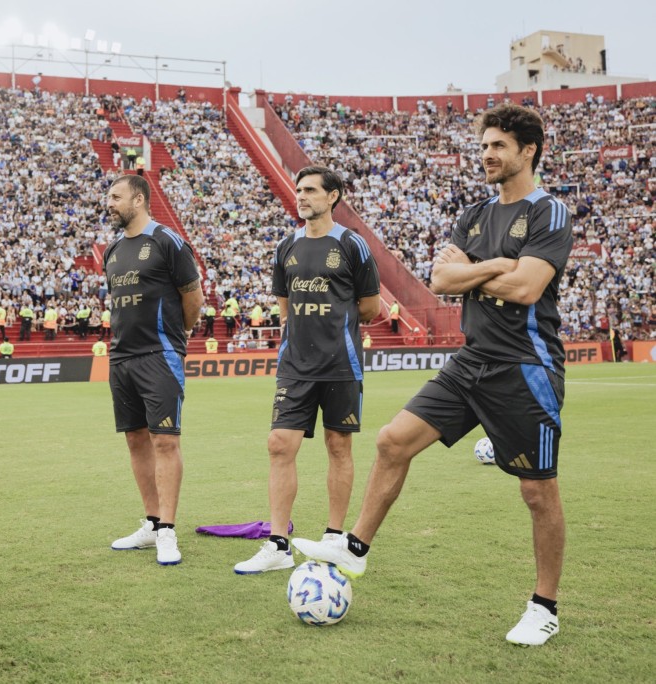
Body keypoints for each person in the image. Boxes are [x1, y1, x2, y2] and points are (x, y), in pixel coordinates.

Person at [292, 104, 573, 647]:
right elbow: (442, 279)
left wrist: (476, 273)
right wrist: (495, 266)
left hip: (525, 366)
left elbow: (527, 289)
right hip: (472, 360)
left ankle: (545, 607)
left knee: (538, 494)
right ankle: (354, 549)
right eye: (485, 145)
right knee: (393, 441)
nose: (487, 154)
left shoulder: (548, 213)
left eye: (498, 146)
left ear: (528, 151)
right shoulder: (473, 216)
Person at [234, 166, 380, 575]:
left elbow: (371, 307)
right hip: (295, 365)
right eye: (299, 190)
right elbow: (284, 304)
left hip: (341, 364)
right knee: (280, 444)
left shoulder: (352, 245)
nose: (301, 196)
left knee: (339, 447)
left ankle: (334, 537)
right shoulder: (286, 246)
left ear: (333, 196)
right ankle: (278, 545)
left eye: (311, 190)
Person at [103, 175, 204, 566]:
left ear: (139, 199)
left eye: (116, 196)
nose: (109, 202)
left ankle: (167, 530)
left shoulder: (167, 241)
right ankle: (151, 522)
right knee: (135, 440)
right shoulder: (112, 250)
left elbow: (192, 298)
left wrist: (180, 339)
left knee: (165, 441)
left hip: (159, 354)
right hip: (121, 357)